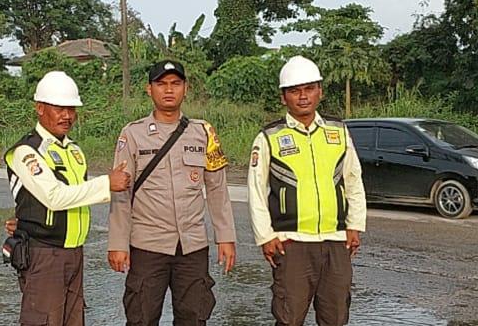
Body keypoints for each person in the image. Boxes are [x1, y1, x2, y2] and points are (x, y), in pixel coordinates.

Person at [107, 60, 236, 326]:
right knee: (141, 318)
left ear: (185, 89)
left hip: (192, 247)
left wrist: (225, 237)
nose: (169, 90)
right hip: (147, 246)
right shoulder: (133, 134)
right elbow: (121, 192)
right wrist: (118, 244)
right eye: (161, 84)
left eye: (176, 84)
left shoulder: (203, 132)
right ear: (149, 89)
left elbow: (217, 188)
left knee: (194, 317)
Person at [246, 56, 367, 326]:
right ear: (283, 97)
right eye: (295, 91)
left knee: (336, 317)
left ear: (320, 91)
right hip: (291, 242)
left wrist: (355, 225)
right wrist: (266, 236)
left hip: (336, 240)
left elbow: (353, 179)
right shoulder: (269, 137)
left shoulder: (338, 131)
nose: (303, 96)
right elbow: (256, 190)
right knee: (289, 317)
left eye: (309, 89)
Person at [5, 71, 131, 326]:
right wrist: (106, 184)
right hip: (44, 254)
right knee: (44, 319)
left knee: (74, 320)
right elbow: (54, 197)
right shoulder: (26, 151)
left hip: (74, 253)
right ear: (40, 108)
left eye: (71, 109)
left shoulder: (74, 150)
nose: (67, 116)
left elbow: (75, 195)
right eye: (59, 108)